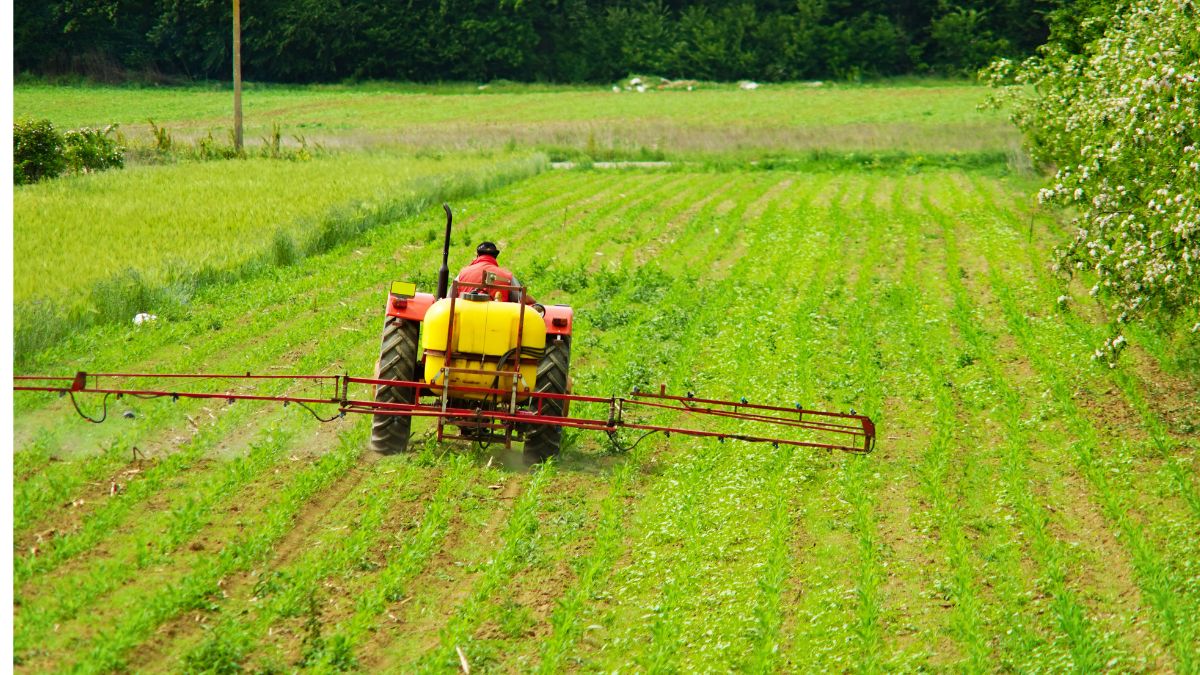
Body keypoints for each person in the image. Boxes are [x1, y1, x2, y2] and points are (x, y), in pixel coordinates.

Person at [456, 241, 537, 305]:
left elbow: (448, 298)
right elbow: (520, 298)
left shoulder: (462, 273)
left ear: (478, 255)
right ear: (495, 257)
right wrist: (533, 300)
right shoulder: (507, 276)